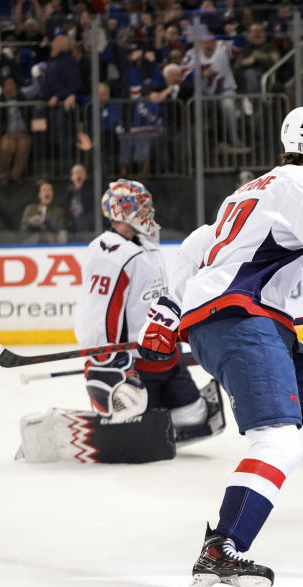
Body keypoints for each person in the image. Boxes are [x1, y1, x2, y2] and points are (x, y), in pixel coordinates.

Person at [136, 106, 303, 587]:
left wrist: (170, 309)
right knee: (278, 443)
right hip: (240, 320)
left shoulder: (255, 188)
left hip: (242, 320)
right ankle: (220, 555)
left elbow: (198, 244)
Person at [57, 179, 223, 463]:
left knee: (195, 415)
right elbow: (98, 314)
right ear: (122, 211)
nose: (149, 211)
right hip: (136, 362)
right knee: (137, 412)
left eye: (147, 204)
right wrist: (105, 363)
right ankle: (122, 416)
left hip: (166, 355)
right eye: (141, 206)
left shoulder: (148, 244)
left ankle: (148, 418)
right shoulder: (108, 252)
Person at [20, 180, 68, 244]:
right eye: (44, 190)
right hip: (32, 244)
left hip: (51, 244)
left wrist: (48, 223)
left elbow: (62, 230)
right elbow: (22, 227)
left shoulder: (58, 211)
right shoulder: (30, 208)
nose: (47, 192)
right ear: (39, 194)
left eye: (50, 190)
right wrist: (31, 224)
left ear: (53, 194)